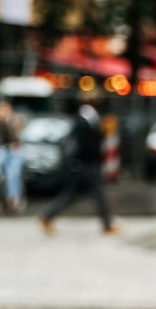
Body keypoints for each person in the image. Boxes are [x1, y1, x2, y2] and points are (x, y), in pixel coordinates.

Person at [38, 97, 118, 234]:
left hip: (82, 164)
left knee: (72, 194)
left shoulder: (87, 120)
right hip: (84, 164)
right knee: (97, 192)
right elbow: (83, 145)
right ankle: (107, 224)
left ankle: (48, 216)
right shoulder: (83, 121)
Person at [0, 98, 25, 211]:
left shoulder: (13, 122)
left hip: (12, 154)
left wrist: (8, 122)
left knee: (12, 173)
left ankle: (12, 199)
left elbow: (16, 140)